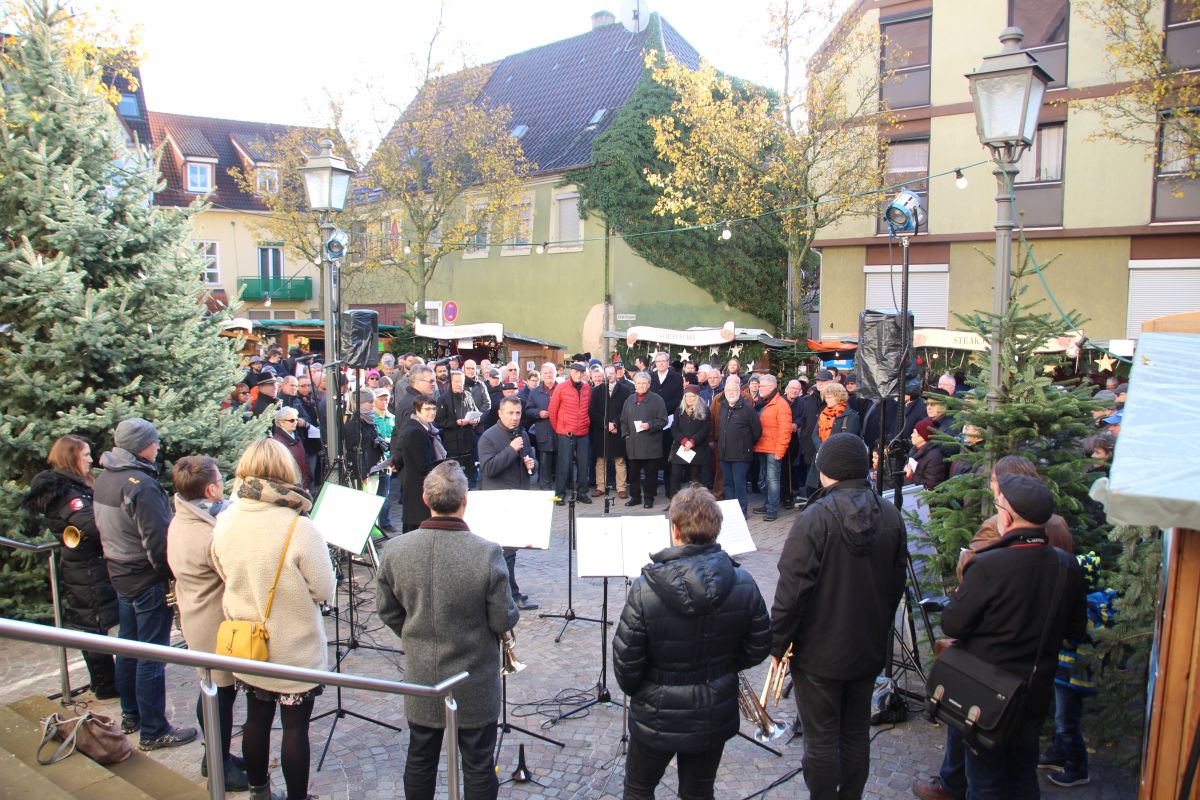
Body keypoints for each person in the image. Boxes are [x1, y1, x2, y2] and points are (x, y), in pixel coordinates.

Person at [771, 433, 907, 800]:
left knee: (821, 739)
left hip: (819, 652)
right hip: (866, 647)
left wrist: (777, 642)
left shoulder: (815, 518)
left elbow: (792, 591)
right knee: (855, 734)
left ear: (827, 470)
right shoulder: (891, 514)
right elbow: (896, 586)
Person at [613, 486, 771, 800]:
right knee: (698, 791)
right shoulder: (743, 582)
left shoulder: (645, 588)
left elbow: (626, 663)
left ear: (675, 530)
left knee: (639, 789)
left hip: (656, 710)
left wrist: (647, 689)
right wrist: (722, 668)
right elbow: (759, 644)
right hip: (713, 707)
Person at [375, 462, 519, 800]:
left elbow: (387, 610)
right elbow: (503, 619)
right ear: (465, 501)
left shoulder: (395, 550)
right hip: (474, 678)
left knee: (421, 757)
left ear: (425, 499)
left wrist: (415, 634)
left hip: (422, 673)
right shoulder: (486, 552)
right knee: (478, 763)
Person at [940, 474, 1087, 798]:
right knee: (1023, 776)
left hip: (988, 693)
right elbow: (1076, 630)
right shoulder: (1067, 565)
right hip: (1035, 689)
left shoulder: (989, 565)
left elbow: (952, 624)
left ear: (1006, 517)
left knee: (985, 783)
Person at [212, 439, 335, 800]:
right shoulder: (299, 527)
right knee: (294, 728)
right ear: (286, 471)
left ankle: (258, 791)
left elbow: (220, 568)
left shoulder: (226, 518)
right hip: (293, 645)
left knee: (256, 718)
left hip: (248, 642)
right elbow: (324, 589)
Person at [93, 418, 197, 748]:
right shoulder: (140, 485)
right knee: (151, 653)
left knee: (128, 645)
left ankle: (131, 714)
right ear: (142, 446)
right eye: (154, 442)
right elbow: (157, 541)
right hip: (145, 577)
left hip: (120, 572)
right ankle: (153, 730)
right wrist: (169, 575)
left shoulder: (105, 478)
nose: (158, 447)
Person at [166, 456, 248, 790]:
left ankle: (216, 755)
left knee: (214, 690)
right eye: (220, 481)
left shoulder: (184, 518)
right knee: (219, 694)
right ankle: (218, 764)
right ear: (211, 489)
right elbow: (235, 573)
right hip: (211, 623)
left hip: (197, 614)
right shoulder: (205, 535)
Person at [21, 435, 119, 700]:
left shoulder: (75, 485)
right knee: (94, 625)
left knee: (98, 622)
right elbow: (91, 524)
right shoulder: (66, 492)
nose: (90, 459)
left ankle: (107, 681)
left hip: (90, 565)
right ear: (71, 457)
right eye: (85, 455)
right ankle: (104, 684)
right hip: (85, 568)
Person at [477, 396, 540, 611]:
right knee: (507, 552)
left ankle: (501, 594)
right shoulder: (488, 437)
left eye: (518, 413)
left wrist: (532, 464)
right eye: (510, 413)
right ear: (500, 413)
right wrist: (511, 450)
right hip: (499, 501)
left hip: (519, 499)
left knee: (510, 551)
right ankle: (509, 595)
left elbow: (530, 461)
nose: (514, 417)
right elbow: (488, 468)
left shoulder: (522, 434)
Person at [394, 397, 446, 533]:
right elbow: (424, 466)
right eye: (427, 409)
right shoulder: (416, 432)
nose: (432, 412)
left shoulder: (425, 428)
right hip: (418, 490)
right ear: (417, 410)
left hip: (419, 489)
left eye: (434, 409)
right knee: (416, 532)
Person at [715, 375, 762, 518]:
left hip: (741, 454)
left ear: (739, 391)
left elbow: (757, 431)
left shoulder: (747, 408)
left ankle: (741, 511)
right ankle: (731, 511)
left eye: (734, 390)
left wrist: (745, 444)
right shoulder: (722, 407)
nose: (731, 393)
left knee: (739, 484)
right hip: (724, 453)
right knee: (728, 484)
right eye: (728, 390)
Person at [620, 371, 668, 509]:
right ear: (635, 384)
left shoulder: (657, 400)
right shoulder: (629, 400)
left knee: (650, 475)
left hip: (651, 445)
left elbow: (663, 420)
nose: (641, 385)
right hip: (633, 444)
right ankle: (635, 497)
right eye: (639, 383)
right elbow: (623, 420)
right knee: (633, 474)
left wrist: (649, 425)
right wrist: (625, 434)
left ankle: (648, 498)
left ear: (649, 384)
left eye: (644, 383)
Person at [549, 361, 593, 505]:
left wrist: (586, 422)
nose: (579, 375)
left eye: (581, 373)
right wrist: (559, 428)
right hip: (565, 433)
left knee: (583, 465)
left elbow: (588, 408)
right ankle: (559, 495)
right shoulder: (561, 387)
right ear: (571, 372)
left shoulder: (587, 388)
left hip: (583, 433)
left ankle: (582, 493)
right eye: (576, 372)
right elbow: (552, 411)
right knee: (563, 464)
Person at [752, 374, 793, 521]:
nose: (759, 388)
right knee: (764, 479)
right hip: (762, 447)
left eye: (762, 386)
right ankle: (767, 504)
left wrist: (779, 451)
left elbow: (785, 430)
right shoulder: (762, 402)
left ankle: (772, 509)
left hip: (773, 449)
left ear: (771, 387)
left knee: (773, 480)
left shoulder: (781, 404)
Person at [807, 382, 861, 492]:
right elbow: (815, 434)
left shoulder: (851, 415)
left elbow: (848, 439)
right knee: (815, 491)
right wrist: (821, 448)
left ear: (839, 397)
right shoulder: (823, 414)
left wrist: (828, 450)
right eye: (826, 397)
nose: (827, 400)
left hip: (838, 461)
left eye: (830, 397)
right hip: (821, 457)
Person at [590, 364, 631, 498]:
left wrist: (615, 424)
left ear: (616, 374)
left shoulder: (625, 390)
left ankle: (621, 488)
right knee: (601, 460)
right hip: (601, 431)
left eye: (612, 373)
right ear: (604, 375)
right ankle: (600, 486)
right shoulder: (596, 390)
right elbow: (592, 411)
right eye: (607, 374)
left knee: (619, 460)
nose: (610, 376)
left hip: (617, 430)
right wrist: (606, 425)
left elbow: (626, 410)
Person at [436, 370, 481, 486]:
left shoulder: (468, 395)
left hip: (468, 440)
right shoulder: (443, 399)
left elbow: (475, 411)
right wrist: (456, 423)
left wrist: (476, 420)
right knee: (454, 476)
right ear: (451, 382)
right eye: (456, 382)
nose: (459, 384)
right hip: (452, 443)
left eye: (461, 382)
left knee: (470, 475)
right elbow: (439, 421)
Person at [668, 385, 711, 497]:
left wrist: (693, 441)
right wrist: (683, 440)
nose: (689, 398)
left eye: (692, 396)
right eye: (687, 396)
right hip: (681, 448)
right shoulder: (679, 410)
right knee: (675, 477)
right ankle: (674, 501)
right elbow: (674, 428)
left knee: (694, 479)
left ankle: (694, 502)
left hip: (697, 448)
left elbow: (705, 428)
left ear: (697, 397)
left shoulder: (705, 411)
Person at [521, 364, 558, 490]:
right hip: (543, 431)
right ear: (541, 375)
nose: (548, 375)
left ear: (555, 373)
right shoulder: (535, 392)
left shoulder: (562, 389)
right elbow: (528, 410)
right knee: (544, 461)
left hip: (561, 432)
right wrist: (538, 413)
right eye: (545, 373)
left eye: (551, 372)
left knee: (561, 461)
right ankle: (545, 488)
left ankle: (561, 489)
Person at [272, 406, 313, 494]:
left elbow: (304, 460)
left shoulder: (295, 437)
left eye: (296, 420)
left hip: (302, 486)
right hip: (291, 490)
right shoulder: (278, 443)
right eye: (291, 420)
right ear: (281, 422)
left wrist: (307, 482)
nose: (295, 422)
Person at [906, 417, 947, 490]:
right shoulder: (914, 449)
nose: (911, 435)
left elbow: (931, 486)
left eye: (914, 433)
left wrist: (912, 476)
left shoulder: (934, 457)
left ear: (922, 437)